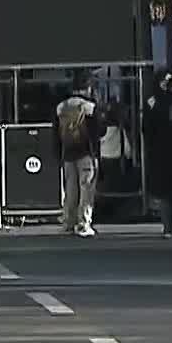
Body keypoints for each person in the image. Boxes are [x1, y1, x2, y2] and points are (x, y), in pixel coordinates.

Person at [141, 72, 172, 237]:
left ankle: (168, 227)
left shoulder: (154, 102)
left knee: (165, 193)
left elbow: (146, 128)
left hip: (160, 152)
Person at [55, 75, 104, 237]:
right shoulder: (89, 107)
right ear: (88, 88)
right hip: (86, 153)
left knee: (70, 190)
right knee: (86, 189)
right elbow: (100, 130)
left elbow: (55, 134)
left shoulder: (61, 107)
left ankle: (68, 222)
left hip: (68, 154)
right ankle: (83, 224)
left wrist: (57, 154)